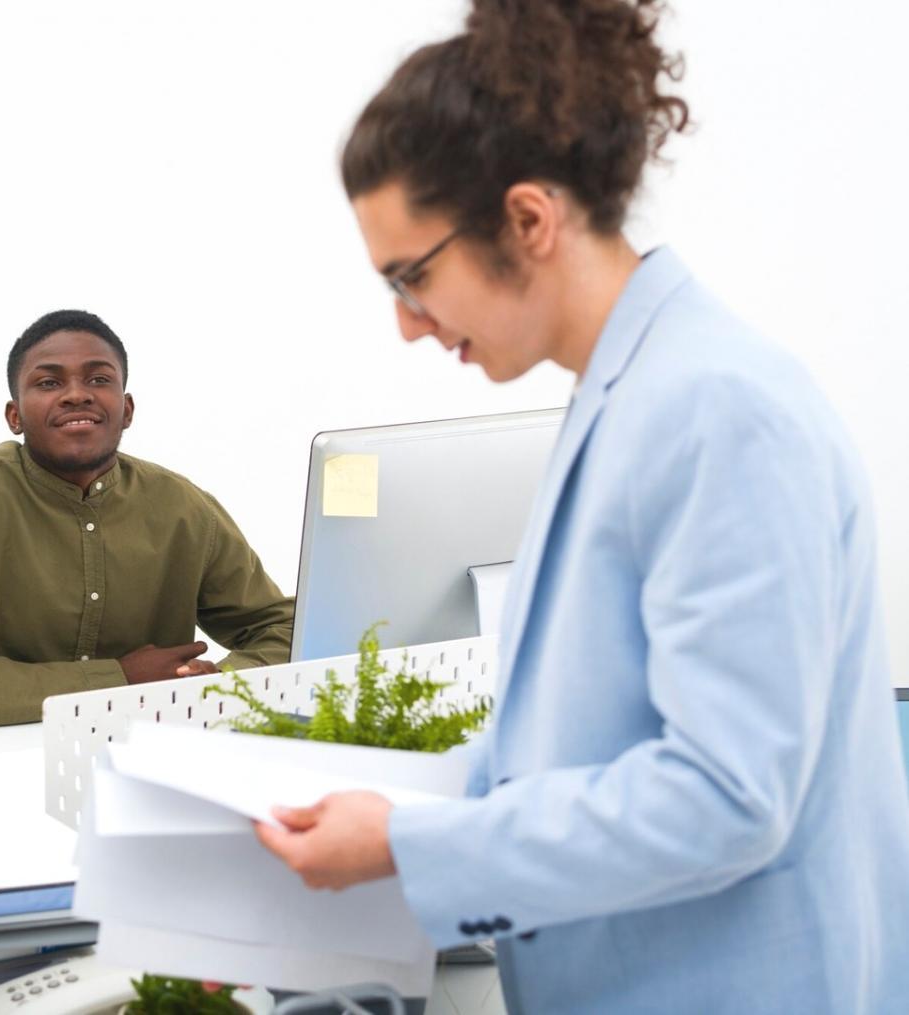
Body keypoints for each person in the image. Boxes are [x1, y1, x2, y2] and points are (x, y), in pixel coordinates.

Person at [252, 1, 909, 1012]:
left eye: (411, 278)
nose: (405, 326)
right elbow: (580, 738)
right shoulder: (627, 391)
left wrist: (408, 843)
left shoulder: (711, 407)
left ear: (526, 220)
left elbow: (724, 798)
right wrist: (392, 813)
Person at [0, 309, 294, 729]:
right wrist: (120, 681)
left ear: (127, 409)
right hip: (1, 761)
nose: (76, 395)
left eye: (99, 379)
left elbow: (284, 630)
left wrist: (214, 687)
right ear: (15, 416)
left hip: (154, 753)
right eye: (49, 382)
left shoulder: (185, 509)